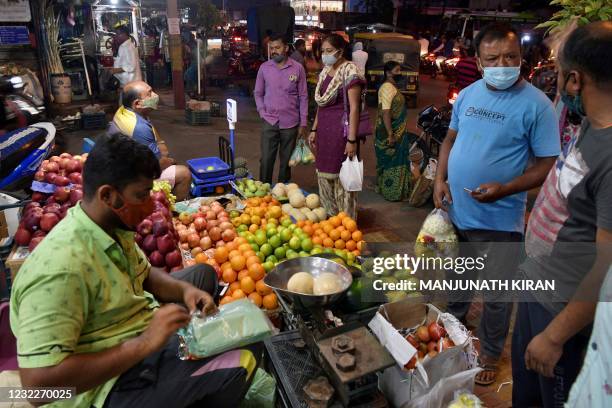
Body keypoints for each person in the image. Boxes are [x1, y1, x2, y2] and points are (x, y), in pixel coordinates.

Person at [9, 133, 262, 408]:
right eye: (141, 195)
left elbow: (145, 274)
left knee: (202, 277)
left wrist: (185, 290)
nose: (151, 204)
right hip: (106, 388)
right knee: (247, 351)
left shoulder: (109, 228)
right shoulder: (61, 270)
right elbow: (37, 389)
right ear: (108, 195)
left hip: (132, 332)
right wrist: (145, 342)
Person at [433, 23, 560, 386]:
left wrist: (505, 189)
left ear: (521, 58)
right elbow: (448, 141)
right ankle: (454, 332)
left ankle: (489, 352)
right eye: (493, 58)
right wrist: (440, 179)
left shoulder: (537, 105)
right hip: (460, 211)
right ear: (478, 60)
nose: (503, 64)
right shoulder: (469, 94)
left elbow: (547, 164)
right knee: (458, 280)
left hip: (501, 219)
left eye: (511, 57)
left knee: (498, 293)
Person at [512, 21, 612, 407]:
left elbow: (605, 269)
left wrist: (555, 336)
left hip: (564, 313)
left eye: (557, 72)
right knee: (525, 395)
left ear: (574, 80)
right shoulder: (591, 123)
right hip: (539, 289)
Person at [308, 34, 365, 219]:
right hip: (324, 133)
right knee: (324, 176)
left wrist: (351, 140)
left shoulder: (350, 71)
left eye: (329, 51)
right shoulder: (325, 71)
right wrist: (314, 129)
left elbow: (354, 108)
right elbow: (320, 105)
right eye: (323, 51)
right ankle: (330, 219)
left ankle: (345, 224)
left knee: (342, 179)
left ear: (340, 51)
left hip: (341, 134)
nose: (325, 55)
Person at [109, 80, 192, 201]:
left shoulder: (124, 110)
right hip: (129, 180)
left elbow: (159, 144)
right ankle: (172, 211)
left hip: (123, 167)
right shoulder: (139, 128)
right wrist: (171, 161)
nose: (155, 95)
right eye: (150, 94)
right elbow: (158, 164)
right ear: (137, 103)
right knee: (184, 173)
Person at [254, 34, 308, 184]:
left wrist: (303, 123)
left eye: (277, 47)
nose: (273, 51)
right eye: (271, 48)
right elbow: (258, 93)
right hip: (269, 121)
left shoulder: (297, 69)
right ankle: (264, 194)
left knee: (286, 163)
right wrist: (261, 111)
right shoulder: (264, 68)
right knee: (266, 160)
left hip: (290, 123)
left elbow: (303, 97)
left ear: (286, 48)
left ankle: (282, 193)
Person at [375, 61, 414, 201]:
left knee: (397, 159)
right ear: (388, 72)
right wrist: (391, 134)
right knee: (391, 160)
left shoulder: (392, 86)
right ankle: (391, 191)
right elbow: (385, 112)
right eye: (397, 70)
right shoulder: (386, 87)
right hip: (389, 131)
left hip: (396, 129)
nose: (400, 73)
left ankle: (397, 190)